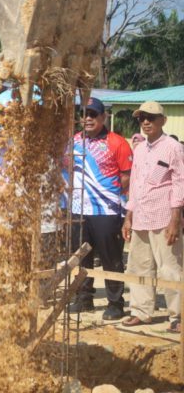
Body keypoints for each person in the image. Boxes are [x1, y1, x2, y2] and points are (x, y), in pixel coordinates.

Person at [67, 98, 133, 320]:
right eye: (84, 114)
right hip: (78, 210)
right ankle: (84, 298)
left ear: (103, 117)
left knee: (111, 258)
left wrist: (106, 196)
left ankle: (115, 303)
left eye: (93, 114)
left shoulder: (117, 142)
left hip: (107, 211)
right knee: (81, 257)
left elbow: (126, 177)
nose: (87, 119)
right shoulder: (74, 141)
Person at [122, 101, 184, 332]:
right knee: (138, 266)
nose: (146, 122)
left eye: (151, 117)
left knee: (170, 267)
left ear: (163, 120)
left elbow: (179, 183)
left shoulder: (173, 147)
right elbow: (135, 185)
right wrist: (128, 215)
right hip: (140, 216)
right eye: (142, 118)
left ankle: (177, 316)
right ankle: (141, 311)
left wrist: (175, 219)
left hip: (163, 216)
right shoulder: (139, 150)